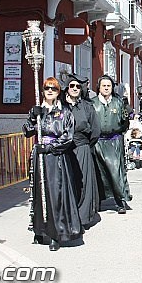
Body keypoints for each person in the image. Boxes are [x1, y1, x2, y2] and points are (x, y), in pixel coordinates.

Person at [22, 77, 82, 251]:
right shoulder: (39, 112)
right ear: (43, 91)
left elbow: (68, 137)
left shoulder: (64, 113)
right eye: (47, 88)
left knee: (55, 194)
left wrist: (49, 147)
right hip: (39, 157)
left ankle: (57, 233)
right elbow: (27, 131)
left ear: (58, 92)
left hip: (56, 158)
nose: (50, 91)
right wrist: (32, 118)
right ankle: (40, 230)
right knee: (39, 193)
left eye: (53, 89)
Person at [61, 73, 101, 229]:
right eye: (72, 86)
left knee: (83, 182)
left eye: (78, 86)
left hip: (82, 147)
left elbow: (95, 130)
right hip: (64, 149)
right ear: (67, 88)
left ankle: (82, 218)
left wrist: (85, 145)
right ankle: (67, 216)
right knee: (67, 182)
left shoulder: (87, 106)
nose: (75, 88)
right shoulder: (61, 107)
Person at [92, 75, 132, 214]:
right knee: (98, 173)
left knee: (116, 172)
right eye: (104, 85)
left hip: (114, 141)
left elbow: (125, 122)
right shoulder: (92, 103)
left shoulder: (118, 102)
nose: (107, 88)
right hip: (97, 142)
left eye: (109, 86)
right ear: (99, 87)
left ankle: (120, 200)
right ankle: (97, 201)